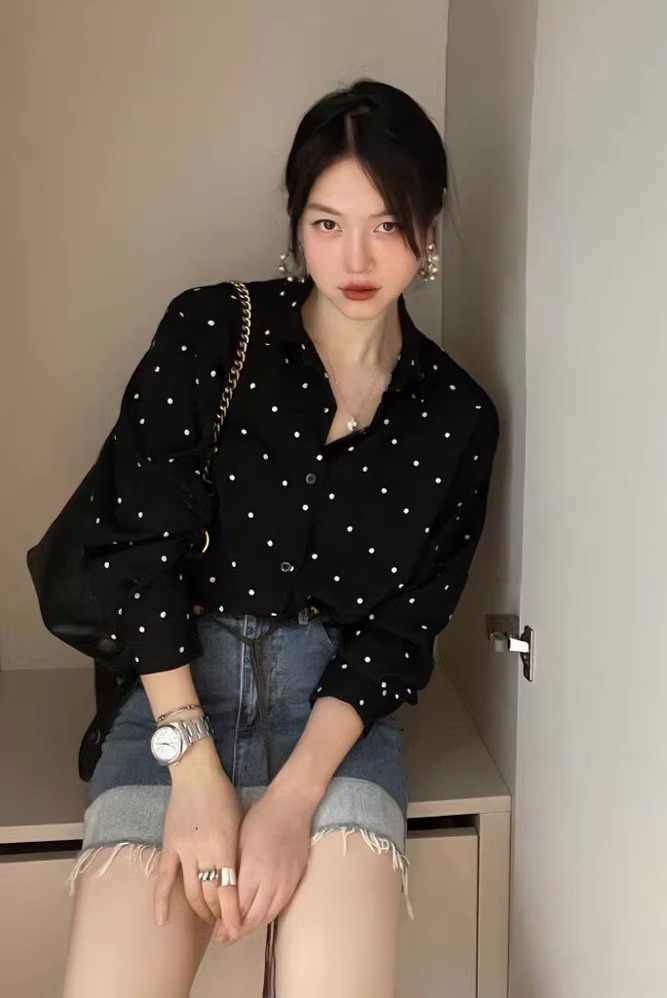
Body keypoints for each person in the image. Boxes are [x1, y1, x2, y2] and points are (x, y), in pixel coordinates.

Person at [61, 78, 499, 998]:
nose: (357, 257)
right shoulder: (211, 331)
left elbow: (399, 635)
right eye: (327, 223)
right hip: (174, 705)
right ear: (296, 224)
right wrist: (194, 778)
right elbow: (138, 555)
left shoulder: (456, 417)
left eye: (388, 224)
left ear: (428, 229)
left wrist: (294, 802)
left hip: (333, 725)